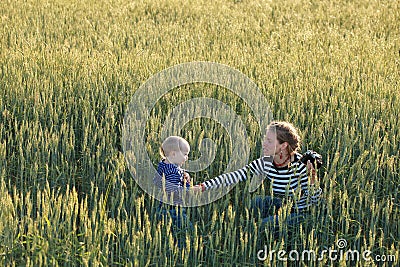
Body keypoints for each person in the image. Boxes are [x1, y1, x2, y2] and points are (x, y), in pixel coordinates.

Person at [198, 121, 323, 235]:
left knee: (264, 225)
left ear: (283, 145)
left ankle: (258, 238)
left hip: (299, 212)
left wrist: (313, 179)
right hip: (282, 205)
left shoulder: (300, 166)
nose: (263, 144)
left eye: (269, 141)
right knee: (255, 202)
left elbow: (316, 201)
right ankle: (255, 233)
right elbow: (235, 176)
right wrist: (203, 187)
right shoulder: (266, 163)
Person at [153, 136, 200, 248]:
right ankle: (183, 248)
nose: (187, 157)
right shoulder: (172, 173)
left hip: (162, 206)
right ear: (173, 154)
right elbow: (175, 191)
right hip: (173, 209)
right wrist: (190, 189)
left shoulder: (163, 165)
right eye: (185, 154)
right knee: (186, 230)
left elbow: (158, 180)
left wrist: (184, 175)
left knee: (169, 230)